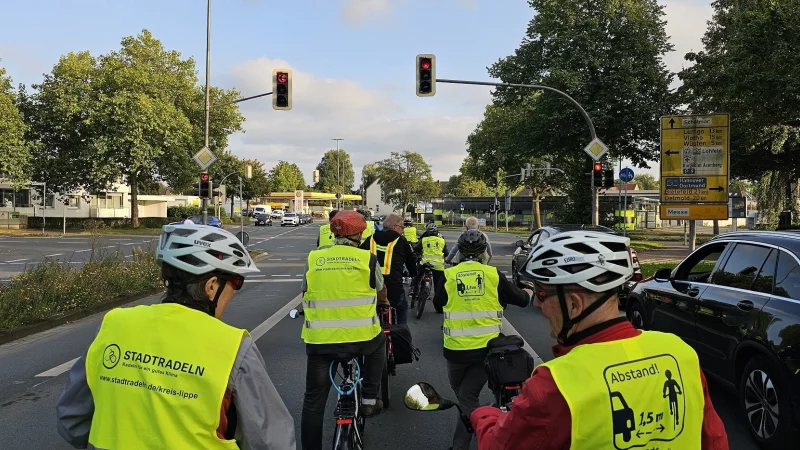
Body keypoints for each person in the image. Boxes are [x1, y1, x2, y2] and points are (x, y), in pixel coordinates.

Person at [471, 231, 729, 450]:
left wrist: (484, 415)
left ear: (574, 304)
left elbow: (498, 445)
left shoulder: (556, 384)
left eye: (540, 293)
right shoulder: (679, 352)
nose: (537, 304)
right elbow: (714, 440)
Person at [56, 224, 296, 450]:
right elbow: (272, 442)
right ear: (212, 286)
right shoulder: (233, 347)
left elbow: (72, 420)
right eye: (236, 281)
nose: (235, 290)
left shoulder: (114, 325)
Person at [432, 229, 531, 450]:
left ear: (459, 252)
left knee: (465, 396)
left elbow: (438, 304)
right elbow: (521, 300)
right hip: (488, 351)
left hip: (456, 351)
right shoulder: (493, 274)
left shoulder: (449, 275)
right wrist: (526, 293)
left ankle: (463, 445)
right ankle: (489, 432)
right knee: (468, 397)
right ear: (485, 252)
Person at [300, 209, 389, 450]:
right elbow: (380, 289)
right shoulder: (367, 259)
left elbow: (305, 289)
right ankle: (369, 399)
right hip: (362, 339)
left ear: (333, 233)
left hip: (320, 342)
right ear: (359, 235)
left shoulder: (314, 258)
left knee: (313, 403)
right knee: (380, 344)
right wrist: (383, 302)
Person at [360, 213, 417, 324]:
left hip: (371, 286)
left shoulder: (370, 239)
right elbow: (411, 261)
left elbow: (359, 256)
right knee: (401, 309)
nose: (403, 231)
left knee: (369, 311)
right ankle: (402, 332)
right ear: (394, 227)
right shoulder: (401, 241)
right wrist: (413, 274)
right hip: (393, 286)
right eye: (402, 227)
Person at [411, 223, 448, 311]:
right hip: (438, 266)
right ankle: (439, 306)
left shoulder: (424, 240)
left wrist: (412, 244)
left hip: (425, 264)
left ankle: (414, 291)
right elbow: (446, 253)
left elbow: (416, 248)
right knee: (438, 286)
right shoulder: (442, 240)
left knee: (417, 276)